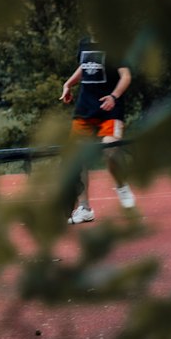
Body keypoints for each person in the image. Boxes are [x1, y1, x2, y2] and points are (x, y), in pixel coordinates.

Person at [59, 39, 136, 223]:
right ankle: (84, 208)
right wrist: (68, 84)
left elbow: (126, 76)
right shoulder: (84, 42)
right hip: (85, 108)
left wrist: (113, 96)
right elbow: (85, 67)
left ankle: (121, 185)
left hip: (110, 107)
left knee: (110, 150)